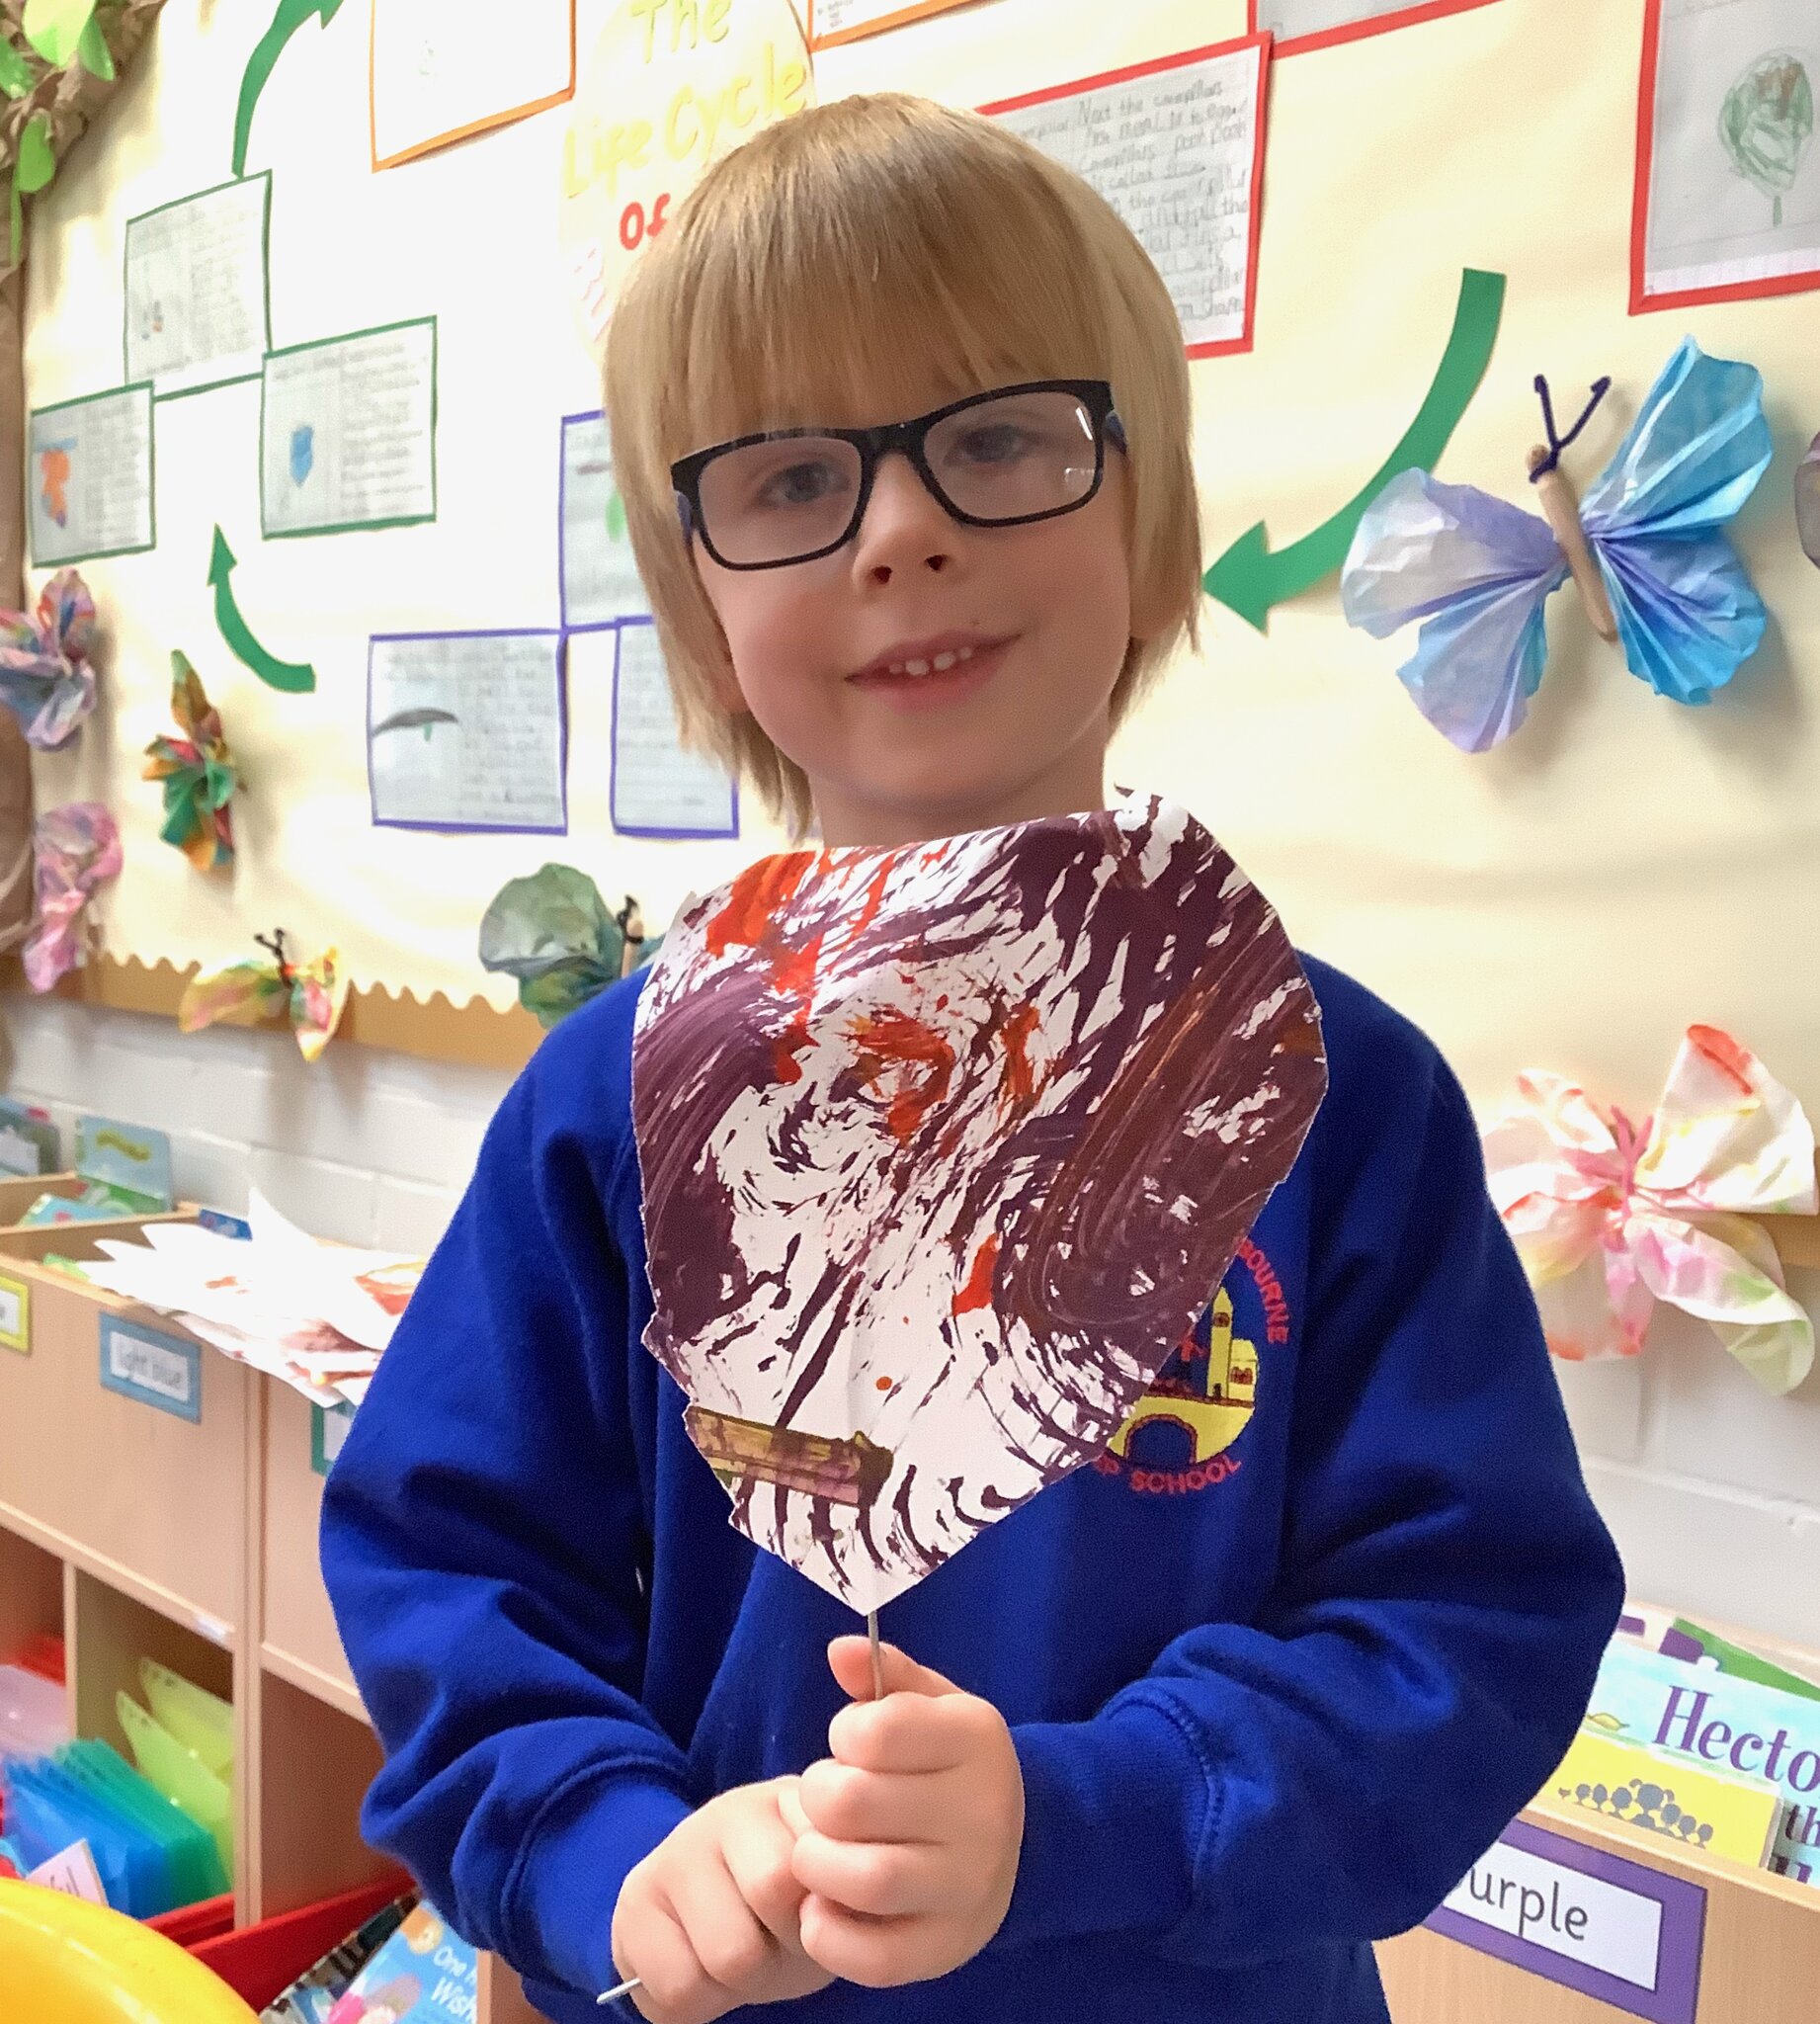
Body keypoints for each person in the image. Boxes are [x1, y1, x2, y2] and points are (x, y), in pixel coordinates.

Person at [320, 93, 1624, 2024]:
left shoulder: (1342, 1099)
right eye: (788, 481)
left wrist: (1082, 1813)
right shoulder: (612, 1107)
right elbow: (453, 1567)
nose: (908, 531)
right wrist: (608, 1842)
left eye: (1001, 439)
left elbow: (1471, 1616)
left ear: (1148, 508)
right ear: (702, 599)